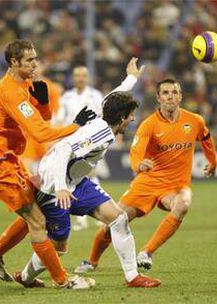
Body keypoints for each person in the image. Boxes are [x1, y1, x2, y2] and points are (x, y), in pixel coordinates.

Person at [14, 58, 161, 289]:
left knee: (119, 218)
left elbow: (115, 95)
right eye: (131, 115)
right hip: (54, 186)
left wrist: (131, 78)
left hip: (76, 183)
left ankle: (132, 277)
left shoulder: (102, 111)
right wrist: (61, 186)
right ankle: (26, 277)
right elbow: (63, 149)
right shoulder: (100, 133)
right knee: (59, 247)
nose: (132, 119)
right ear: (122, 117)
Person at [0, 39, 96, 289]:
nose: (35, 64)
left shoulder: (24, 84)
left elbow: (41, 120)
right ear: (14, 62)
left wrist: (43, 104)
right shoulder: (10, 90)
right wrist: (75, 126)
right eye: (30, 60)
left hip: (8, 159)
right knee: (37, 221)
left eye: (35, 59)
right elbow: (40, 133)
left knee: (31, 212)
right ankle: (63, 280)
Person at [75, 78, 217, 273]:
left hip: (176, 186)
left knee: (183, 204)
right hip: (148, 183)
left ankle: (146, 252)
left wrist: (213, 162)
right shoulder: (149, 125)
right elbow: (136, 152)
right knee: (115, 222)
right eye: (166, 93)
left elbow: (207, 139)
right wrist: (138, 165)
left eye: (174, 92)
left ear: (180, 97)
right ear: (158, 98)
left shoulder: (194, 121)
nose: (170, 96)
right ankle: (92, 261)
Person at [54, 66, 104, 231]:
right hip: (71, 141)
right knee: (74, 177)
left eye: (83, 75)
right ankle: (82, 218)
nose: (80, 78)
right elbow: (59, 118)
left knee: (90, 174)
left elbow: (103, 116)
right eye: (77, 76)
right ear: (73, 78)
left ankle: (99, 210)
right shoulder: (67, 97)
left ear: (87, 77)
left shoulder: (95, 95)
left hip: (90, 139)